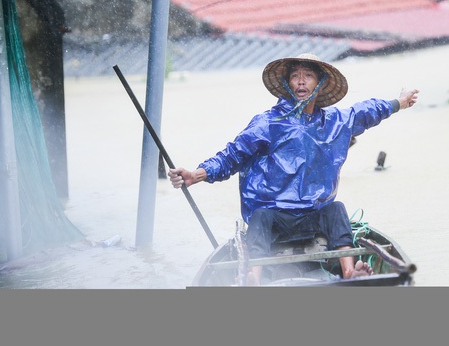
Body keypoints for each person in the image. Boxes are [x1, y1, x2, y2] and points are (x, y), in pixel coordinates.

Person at [169, 53, 419, 285]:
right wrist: (197, 175)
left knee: (337, 210)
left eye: (308, 76)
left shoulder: (334, 122)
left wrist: (400, 102)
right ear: (288, 84)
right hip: (275, 215)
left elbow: (367, 111)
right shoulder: (268, 122)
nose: (301, 82)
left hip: (313, 214)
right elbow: (232, 155)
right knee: (260, 218)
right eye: (295, 76)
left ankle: (349, 272)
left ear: (319, 83)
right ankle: (252, 278)